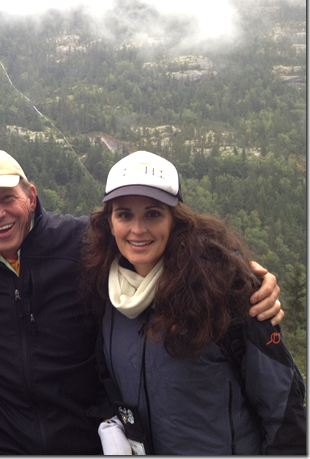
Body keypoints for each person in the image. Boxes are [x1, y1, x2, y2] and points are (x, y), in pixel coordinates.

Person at [0, 149, 284, 455]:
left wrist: (240, 273)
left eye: (7, 198)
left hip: (84, 443)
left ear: (31, 197)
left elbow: (164, 245)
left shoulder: (80, 244)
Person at [81, 150, 305, 455]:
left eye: (153, 214)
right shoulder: (107, 293)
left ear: (176, 220)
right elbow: (110, 382)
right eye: (124, 215)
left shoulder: (224, 287)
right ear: (109, 223)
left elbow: (282, 406)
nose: (137, 229)